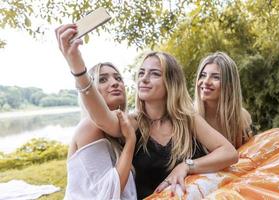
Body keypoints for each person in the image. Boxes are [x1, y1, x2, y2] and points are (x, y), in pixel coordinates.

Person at [55, 24, 238, 199]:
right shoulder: (132, 123)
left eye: (155, 74)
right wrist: (77, 67)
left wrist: (186, 166)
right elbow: (101, 118)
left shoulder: (187, 119)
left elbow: (229, 153)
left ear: (171, 83)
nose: (144, 79)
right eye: (141, 73)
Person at [64, 62, 137, 200]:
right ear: (92, 91)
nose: (114, 83)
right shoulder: (90, 126)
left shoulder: (123, 125)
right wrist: (130, 141)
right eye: (103, 79)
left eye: (118, 78)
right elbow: (110, 194)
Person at [194, 52, 254, 149]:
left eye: (216, 77)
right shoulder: (189, 118)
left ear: (230, 85)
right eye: (203, 75)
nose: (206, 81)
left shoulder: (243, 118)